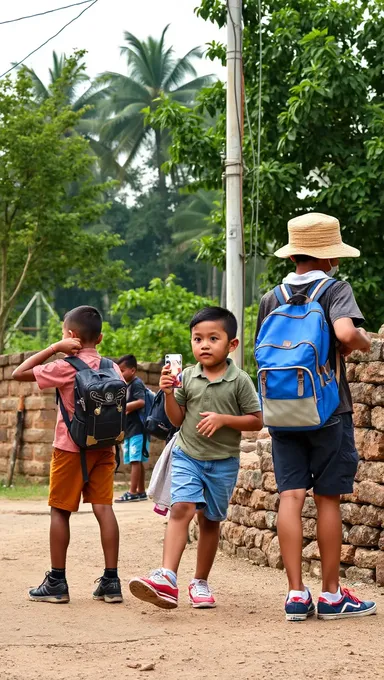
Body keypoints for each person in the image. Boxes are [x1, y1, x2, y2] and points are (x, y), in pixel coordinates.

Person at [255, 212, 377, 621]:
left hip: (282, 411)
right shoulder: (335, 289)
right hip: (327, 410)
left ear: (294, 257)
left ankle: (294, 594)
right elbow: (345, 334)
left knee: (290, 497)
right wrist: (362, 341)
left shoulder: (271, 297)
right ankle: (329, 595)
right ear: (328, 257)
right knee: (327, 499)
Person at [129, 306, 263, 609]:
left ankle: (200, 581)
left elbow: (256, 420)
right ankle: (167, 577)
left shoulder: (239, 380)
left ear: (231, 345)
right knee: (182, 508)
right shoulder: (186, 377)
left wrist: (224, 419)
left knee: (210, 521)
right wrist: (165, 394)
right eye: (197, 338)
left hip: (223, 461)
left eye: (213, 338)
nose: (204, 344)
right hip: (187, 455)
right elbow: (177, 420)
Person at [13, 306, 123, 604]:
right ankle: (111, 582)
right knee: (104, 508)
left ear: (70, 335)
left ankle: (57, 582)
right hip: (104, 447)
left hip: (70, 448)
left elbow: (17, 373)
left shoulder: (65, 366)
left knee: (60, 510)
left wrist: (54, 349)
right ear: (99, 338)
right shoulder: (112, 367)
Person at [115, 354, 149, 503]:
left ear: (133, 370)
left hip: (138, 429)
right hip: (129, 429)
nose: (120, 374)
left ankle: (132, 492)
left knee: (135, 460)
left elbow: (141, 402)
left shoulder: (136, 384)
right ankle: (141, 491)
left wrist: (123, 407)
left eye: (122, 370)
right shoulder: (126, 385)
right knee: (136, 460)